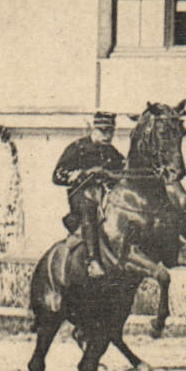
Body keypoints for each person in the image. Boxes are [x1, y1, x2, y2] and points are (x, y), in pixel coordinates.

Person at [51, 110, 127, 278]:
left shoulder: (111, 152)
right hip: (82, 196)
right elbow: (57, 175)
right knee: (89, 208)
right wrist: (78, 174)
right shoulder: (78, 148)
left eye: (111, 132)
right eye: (103, 131)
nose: (108, 136)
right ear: (94, 129)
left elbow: (124, 170)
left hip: (105, 195)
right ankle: (93, 261)